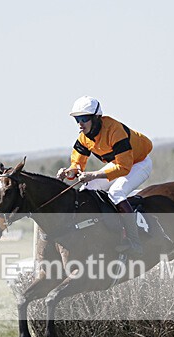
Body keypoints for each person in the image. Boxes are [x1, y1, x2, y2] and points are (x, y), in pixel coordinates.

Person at [57, 96, 153, 258]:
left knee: (116, 192)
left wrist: (94, 174)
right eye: (77, 119)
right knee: (87, 188)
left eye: (84, 119)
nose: (80, 124)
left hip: (139, 163)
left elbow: (124, 167)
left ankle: (134, 241)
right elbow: (78, 165)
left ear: (96, 118)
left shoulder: (115, 130)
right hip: (119, 163)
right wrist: (69, 172)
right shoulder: (84, 137)